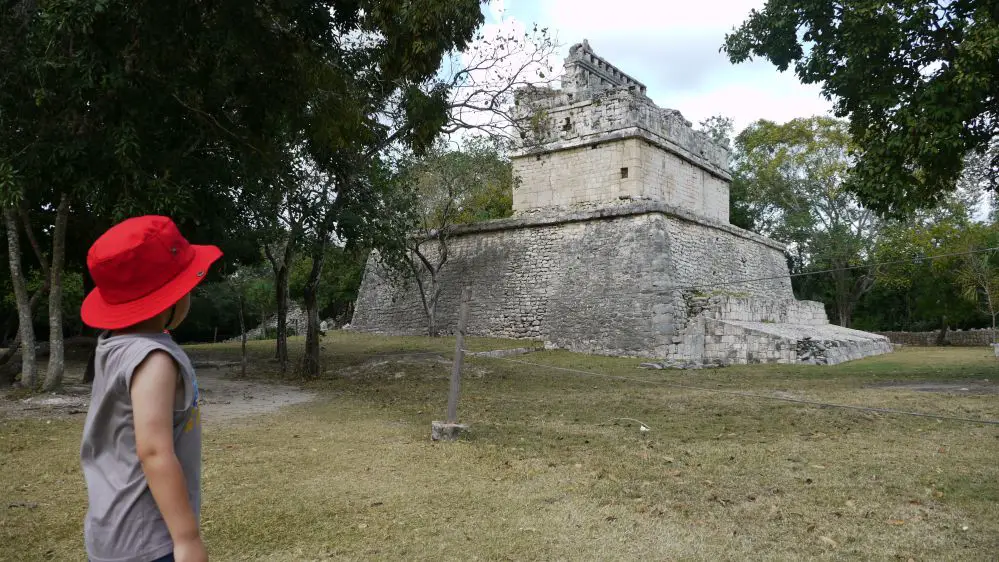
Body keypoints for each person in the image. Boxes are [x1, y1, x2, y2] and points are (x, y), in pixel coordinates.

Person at [79, 216, 221, 562]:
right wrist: (187, 539)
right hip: (148, 539)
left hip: (112, 527)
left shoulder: (113, 345)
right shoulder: (153, 359)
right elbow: (154, 451)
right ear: (168, 298)